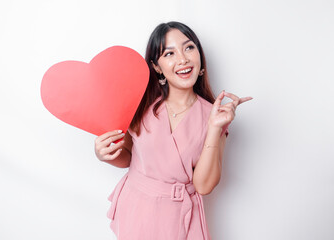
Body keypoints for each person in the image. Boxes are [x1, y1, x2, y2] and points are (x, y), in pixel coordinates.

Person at [94, 21, 252, 240]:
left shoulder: (214, 115)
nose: (183, 59)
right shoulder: (140, 105)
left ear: (200, 56)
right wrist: (106, 155)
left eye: (189, 47)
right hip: (136, 210)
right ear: (157, 67)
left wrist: (215, 127)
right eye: (169, 53)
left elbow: (204, 186)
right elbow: (129, 159)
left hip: (179, 217)